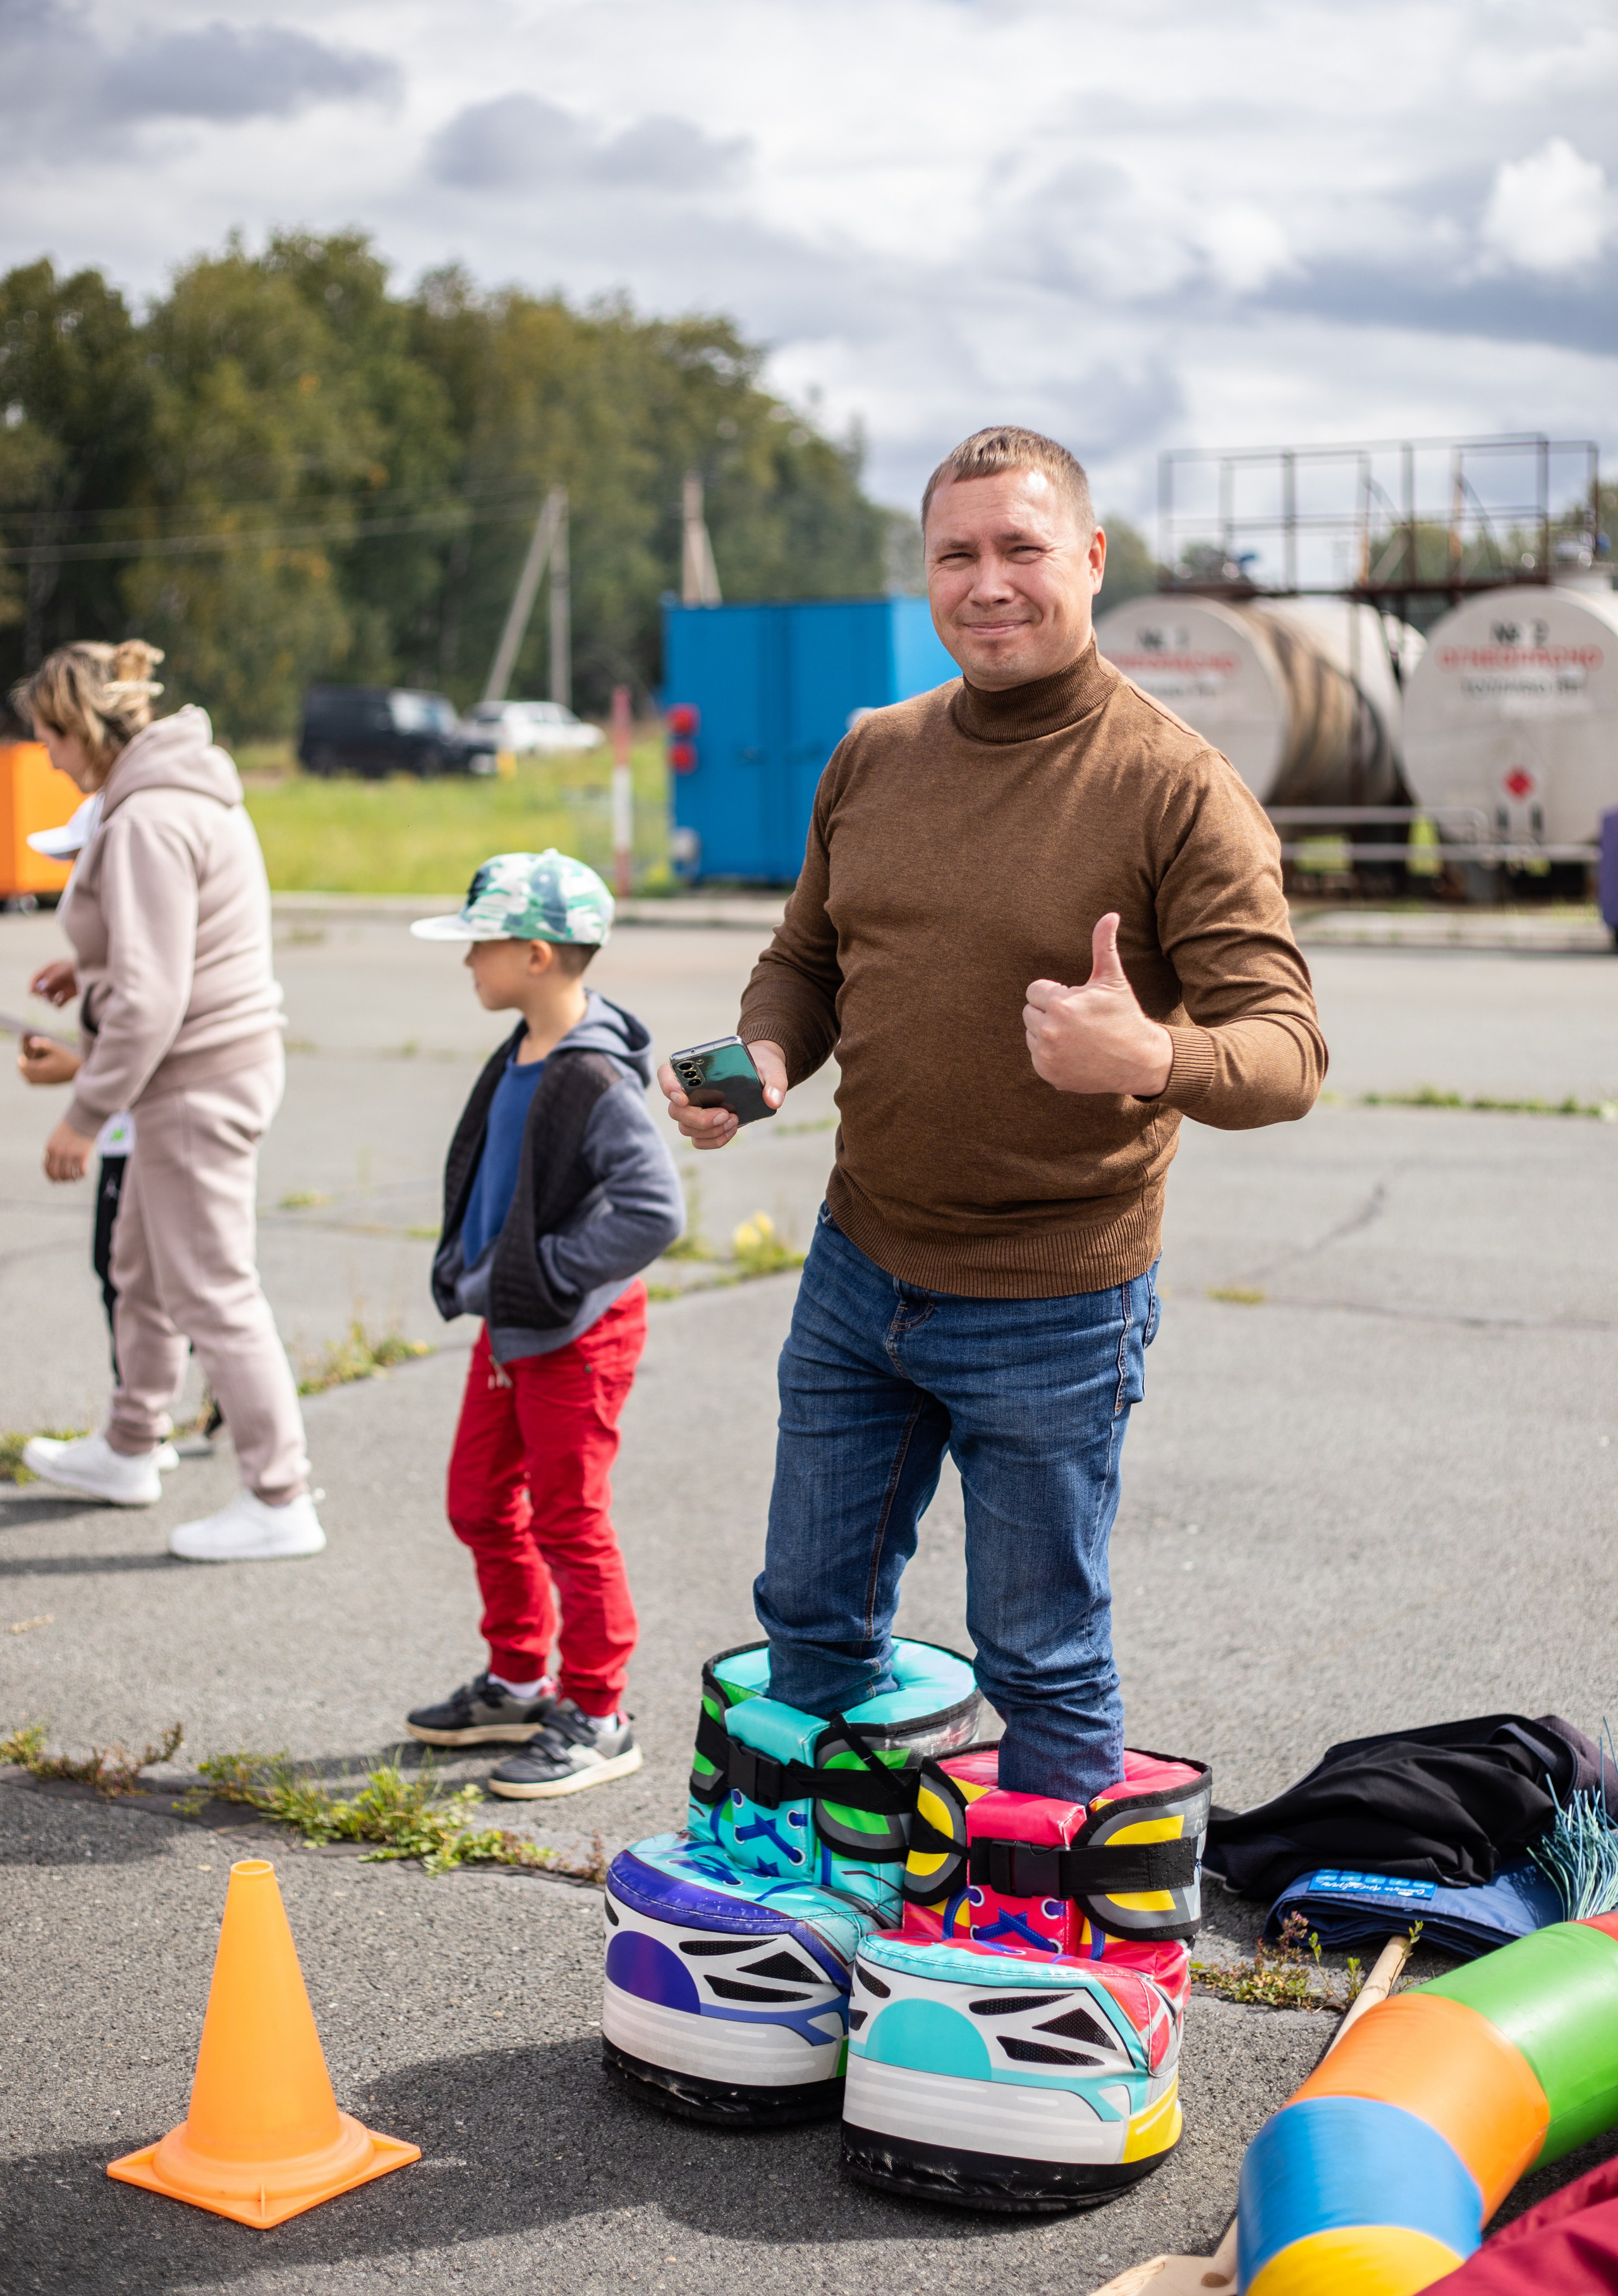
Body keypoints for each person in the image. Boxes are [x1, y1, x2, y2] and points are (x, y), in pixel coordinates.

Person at [659, 425, 1327, 1806]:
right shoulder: (871, 752)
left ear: (1087, 559)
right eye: (955, 554)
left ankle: (1051, 1941)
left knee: (1039, 1654)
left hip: (1052, 1299)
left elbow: (1284, 1049)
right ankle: (834, 1891)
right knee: (806, 1613)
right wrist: (761, 1065)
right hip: (858, 1273)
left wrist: (1146, 1053)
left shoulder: (1172, 784)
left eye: (1020, 548)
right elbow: (808, 961)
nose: (988, 582)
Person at [14, 640, 320, 1562]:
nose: (50, 760)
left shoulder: (146, 818)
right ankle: (128, 1443)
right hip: (198, 1071)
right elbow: (174, 942)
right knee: (139, 1265)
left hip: (194, 1080)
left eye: (50, 740)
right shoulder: (177, 792)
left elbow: (152, 1000)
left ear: (85, 730)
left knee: (213, 1286)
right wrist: (91, 961)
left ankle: (279, 1496)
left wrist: (81, 1114)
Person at [404, 851, 684, 1799]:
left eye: (478, 945)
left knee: (569, 1519)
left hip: (574, 1334)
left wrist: (550, 1274)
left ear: (534, 953)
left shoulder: (592, 1073)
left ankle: (599, 1713)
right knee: (479, 1500)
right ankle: (521, 1677)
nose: (466, 963)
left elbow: (653, 1210)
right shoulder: (522, 1050)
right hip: (514, 1326)